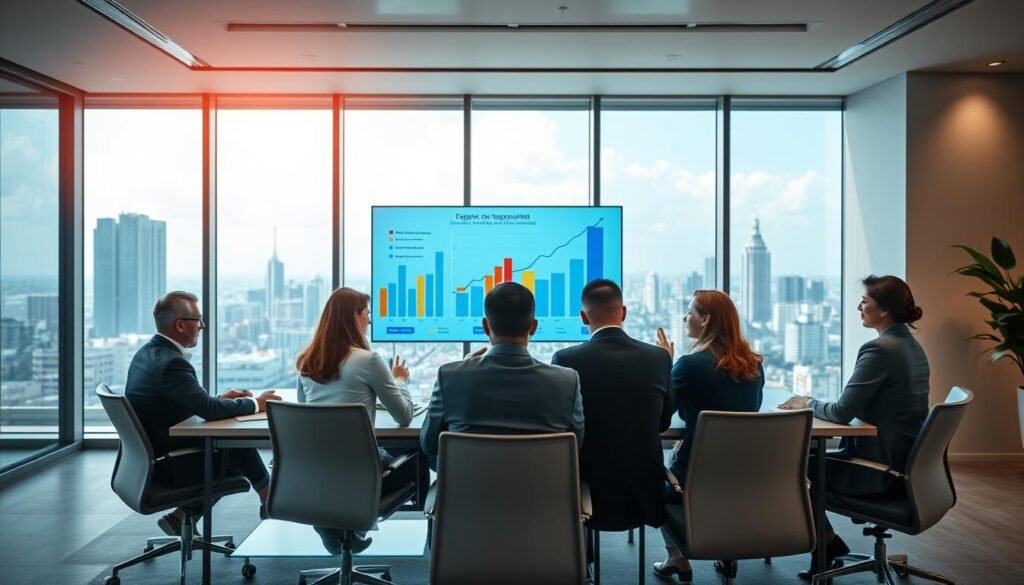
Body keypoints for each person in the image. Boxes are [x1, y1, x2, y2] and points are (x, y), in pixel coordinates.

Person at [778, 275, 929, 580]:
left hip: (879, 470)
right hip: (906, 465)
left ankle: (828, 546)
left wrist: (806, 401)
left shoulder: (880, 350)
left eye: (865, 302)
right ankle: (827, 544)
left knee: (791, 471)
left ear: (883, 310)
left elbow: (842, 411)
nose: (859, 307)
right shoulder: (912, 347)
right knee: (805, 462)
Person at [125, 291, 281, 537]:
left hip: (150, 459)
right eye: (198, 320)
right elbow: (207, 411)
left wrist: (218, 400)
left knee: (231, 444)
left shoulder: (147, 353)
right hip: (172, 464)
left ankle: (185, 515)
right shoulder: (172, 363)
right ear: (179, 325)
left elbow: (184, 404)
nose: (201, 327)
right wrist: (256, 404)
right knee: (237, 446)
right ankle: (271, 502)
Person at [295, 287, 418, 555]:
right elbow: (404, 415)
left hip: (317, 473)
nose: (370, 320)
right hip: (363, 473)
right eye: (367, 313)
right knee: (415, 450)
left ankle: (338, 524)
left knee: (349, 462)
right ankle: (357, 522)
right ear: (354, 317)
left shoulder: (306, 361)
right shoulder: (369, 360)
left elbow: (304, 418)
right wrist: (400, 381)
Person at [652, 290, 765, 582]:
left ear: (706, 320)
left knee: (651, 481)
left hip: (695, 476)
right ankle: (726, 547)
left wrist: (665, 365)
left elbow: (660, 417)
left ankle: (677, 557)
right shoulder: (754, 364)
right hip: (746, 475)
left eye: (690, 312)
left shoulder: (690, 366)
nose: (684, 317)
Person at [551, 279, 674, 533]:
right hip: (644, 493)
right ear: (624, 312)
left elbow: (564, 429)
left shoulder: (566, 359)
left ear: (583, 317)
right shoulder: (659, 358)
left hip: (589, 489)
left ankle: (581, 565)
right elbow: (663, 423)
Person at [420, 282, 584, 471]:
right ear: (533, 327)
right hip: (542, 498)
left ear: (485, 326)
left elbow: (429, 444)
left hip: (468, 499)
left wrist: (462, 369)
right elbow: (575, 447)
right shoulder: (567, 382)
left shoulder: (449, 376)